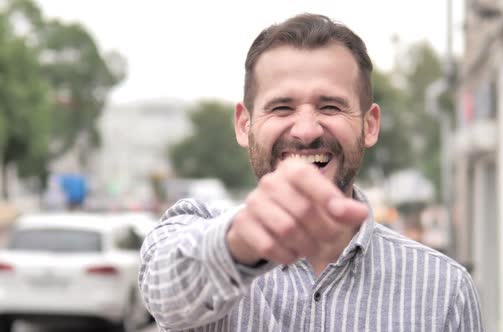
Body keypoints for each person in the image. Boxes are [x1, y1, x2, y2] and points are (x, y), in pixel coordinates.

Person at [139, 13, 483, 332]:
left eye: (330, 106)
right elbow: (166, 293)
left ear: (370, 125)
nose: (305, 130)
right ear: (245, 125)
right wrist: (239, 245)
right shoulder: (189, 228)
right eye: (281, 107)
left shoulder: (443, 290)